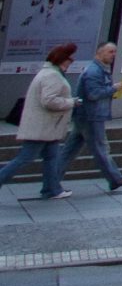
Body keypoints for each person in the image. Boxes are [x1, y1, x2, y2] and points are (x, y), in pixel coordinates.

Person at [1, 43, 78, 199]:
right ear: (63, 60)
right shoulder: (52, 76)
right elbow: (49, 101)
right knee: (25, 158)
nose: (70, 64)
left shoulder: (47, 73)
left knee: (51, 157)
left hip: (47, 127)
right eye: (69, 60)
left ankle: (52, 189)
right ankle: (51, 189)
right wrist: (72, 102)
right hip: (43, 127)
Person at [67, 41, 122, 191]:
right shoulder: (94, 71)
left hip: (87, 115)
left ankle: (51, 181)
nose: (113, 55)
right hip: (91, 116)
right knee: (101, 148)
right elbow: (93, 94)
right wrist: (113, 88)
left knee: (70, 150)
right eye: (110, 52)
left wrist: (118, 91)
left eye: (114, 52)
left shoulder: (100, 70)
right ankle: (116, 179)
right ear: (99, 53)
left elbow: (99, 93)